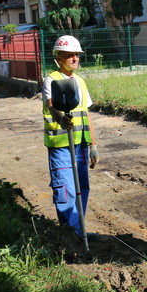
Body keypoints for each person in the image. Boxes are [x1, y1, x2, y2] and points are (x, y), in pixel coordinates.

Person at [42, 35, 99, 236]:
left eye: (77, 55)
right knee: (65, 189)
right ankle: (71, 233)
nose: (74, 59)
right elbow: (51, 107)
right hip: (60, 145)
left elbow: (86, 114)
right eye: (69, 56)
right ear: (58, 58)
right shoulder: (52, 80)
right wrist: (60, 119)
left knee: (82, 187)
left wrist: (92, 144)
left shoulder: (81, 82)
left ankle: (78, 228)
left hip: (80, 145)